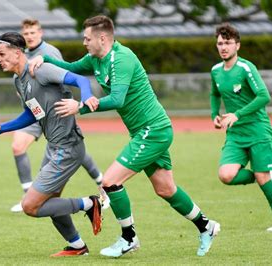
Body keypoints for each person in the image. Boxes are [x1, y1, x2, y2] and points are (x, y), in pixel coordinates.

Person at [30, 15, 219, 257]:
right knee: (165, 189)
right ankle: (207, 226)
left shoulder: (122, 59)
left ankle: (129, 238)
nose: (84, 43)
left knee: (109, 181)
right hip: (144, 131)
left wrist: (81, 107)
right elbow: (70, 67)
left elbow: (117, 99)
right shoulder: (95, 59)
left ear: (102, 38)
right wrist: (43, 58)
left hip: (153, 130)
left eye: (87, 39)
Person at [0, 32, 103, 257]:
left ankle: (90, 204)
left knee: (30, 206)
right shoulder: (18, 80)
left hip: (68, 147)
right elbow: (33, 112)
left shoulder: (41, 70)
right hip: (53, 147)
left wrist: (84, 99)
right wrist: (1, 128)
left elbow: (81, 79)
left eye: (1, 54)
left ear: (17, 52)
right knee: (51, 202)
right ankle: (77, 246)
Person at [9, 18, 108, 212]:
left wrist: (76, 101)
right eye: (26, 34)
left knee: (70, 147)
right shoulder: (23, 55)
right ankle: (28, 194)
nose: (29, 36)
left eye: (32, 33)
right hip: (35, 110)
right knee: (18, 146)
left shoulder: (49, 53)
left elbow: (65, 77)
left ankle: (102, 183)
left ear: (41, 33)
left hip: (55, 111)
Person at [210, 23, 272, 231]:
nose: (223, 47)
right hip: (235, 135)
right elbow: (214, 94)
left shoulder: (246, 68)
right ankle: (264, 177)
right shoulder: (216, 71)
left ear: (237, 45)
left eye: (227, 43)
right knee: (226, 175)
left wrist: (237, 114)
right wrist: (214, 115)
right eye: (220, 43)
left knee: (263, 177)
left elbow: (264, 96)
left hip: (257, 130)